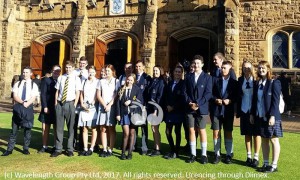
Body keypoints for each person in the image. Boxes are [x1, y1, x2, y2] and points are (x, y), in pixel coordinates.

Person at [252, 61, 282, 173]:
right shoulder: (258, 83)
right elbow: (255, 100)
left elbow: (275, 101)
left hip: (271, 117)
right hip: (260, 116)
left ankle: (274, 165)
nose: (261, 70)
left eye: (263, 68)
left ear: (268, 69)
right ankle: (265, 163)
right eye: (259, 68)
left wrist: (273, 116)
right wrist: (252, 114)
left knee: (274, 140)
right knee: (264, 139)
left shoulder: (275, 83)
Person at [2, 67, 39, 156]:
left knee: (27, 130)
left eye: (27, 72)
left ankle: (26, 149)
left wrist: (27, 103)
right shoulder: (18, 84)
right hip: (19, 106)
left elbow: (34, 96)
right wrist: (22, 102)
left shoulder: (34, 85)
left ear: (31, 74)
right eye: (23, 72)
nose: (24, 74)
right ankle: (9, 149)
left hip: (28, 108)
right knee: (14, 130)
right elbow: (15, 95)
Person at [184, 55, 212, 164]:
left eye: (198, 63)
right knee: (191, 130)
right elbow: (184, 91)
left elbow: (208, 93)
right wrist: (190, 102)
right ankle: (193, 154)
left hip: (202, 107)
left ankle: (204, 154)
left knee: (202, 130)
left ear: (202, 64)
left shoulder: (207, 77)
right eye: (194, 63)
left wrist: (198, 104)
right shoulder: (188, 77)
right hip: (190, 108)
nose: (196, 65)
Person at [51, 61, 82, 157]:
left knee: (71, 128)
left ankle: (70, 149)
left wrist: (75, 104)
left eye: (70, 67)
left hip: (70, 103)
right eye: (66, 67)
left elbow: (78, 92)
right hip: (60, 103)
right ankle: (58, 149)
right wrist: (56, 103)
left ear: (73, 68)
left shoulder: (76, 79)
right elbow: (57, 91)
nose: (68, 69)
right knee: (59, 128)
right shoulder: (61, 77)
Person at [210, 60, 238, 164]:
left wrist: (230, 100)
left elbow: (236, 96)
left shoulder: (234, 83)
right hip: (217, 110)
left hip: (228, 110)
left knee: (228, 132)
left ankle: (228, 154)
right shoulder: (215, 80)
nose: (222, 69)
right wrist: (215, 99)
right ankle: (217, 154)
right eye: (222, 68)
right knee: (216, 132)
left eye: (224, 68)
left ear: (230, 70)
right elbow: (210, 94)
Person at [236, 61, 261, 167]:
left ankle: (256, 157)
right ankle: (249, 156)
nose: (246, 69)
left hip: (254, 111)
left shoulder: (256, 81)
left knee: (256, 134)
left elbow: (257, 97)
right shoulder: (240, 80)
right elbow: (239, 96)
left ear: (252, 69)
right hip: (244, 110)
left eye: (248, 67)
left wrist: (253, 112)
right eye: (244, 67)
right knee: (247, 134)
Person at [116, 73, 143, 160]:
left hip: (133, 114)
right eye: (128, 79)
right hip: (124, 114)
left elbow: (140, 102)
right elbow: (118, 103)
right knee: (126, 133)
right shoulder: (121, 88)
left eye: (131, 80)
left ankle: (130, 153)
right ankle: (123, 152)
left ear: (134, 81)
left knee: (132, 133)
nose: (129, 81)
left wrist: (131, 101)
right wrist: (118, 114)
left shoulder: (137, 89)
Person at [97, 64, 120, 157]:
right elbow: (98, 95)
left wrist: (109, 105)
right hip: (102, 106)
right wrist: (104, 105)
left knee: (111, 128)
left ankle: (110, 149)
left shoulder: (116, 81)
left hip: (112, 106)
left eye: (108, 71)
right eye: (106, 70)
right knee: (103, 128)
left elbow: (117, 94)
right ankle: (104, 149)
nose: (107, 72)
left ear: (112, 71)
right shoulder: (101, 81)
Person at [163, 65, 185, 159]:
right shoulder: (170, 83)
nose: (177, 73)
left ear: (181, 73)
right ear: (173, 72)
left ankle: (176, 151)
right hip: (169, 111)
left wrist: (174, 107)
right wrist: (167, 105)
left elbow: (183, 98)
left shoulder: (183, 84)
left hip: (178, 111)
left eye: (179, 72)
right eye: (176, 71)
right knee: (168, 132)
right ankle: (172, 149)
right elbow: (166, 95)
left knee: (177, 132)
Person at [38, 65, 61, 153]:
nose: (56, 72)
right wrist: (45, 106)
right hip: (47, 106)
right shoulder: (46, 80)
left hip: (57, 107)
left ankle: (55, 146)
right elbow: (43, 94)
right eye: (55, 71)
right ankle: (44, 146)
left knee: (56, 128)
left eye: (58, 71)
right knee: (45, 128)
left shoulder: (61, 80)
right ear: (52, 71)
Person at [78, 66, 99, 156]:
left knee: (93, 128)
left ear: (95, 73)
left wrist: (93, 102)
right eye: (89, 72)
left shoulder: (98, 82)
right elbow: (81, 94)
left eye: (92, 72)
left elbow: (97, 94)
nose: (91, 74)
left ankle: (92, 148)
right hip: (84, 107)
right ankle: (85, 148)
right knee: (84, 128)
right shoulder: (84, 81)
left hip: (93, 107)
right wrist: (82, 103)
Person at [146, 65, 165, 157]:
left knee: (155, 128)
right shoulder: (152, 81)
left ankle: (158, 149)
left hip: (156, 109)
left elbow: (159, 97)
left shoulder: (161, 82)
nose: (155, 72)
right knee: (153, 129)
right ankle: (155, 147)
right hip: (150, 108)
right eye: (154, 71)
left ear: (160, 71)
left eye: (157, 70)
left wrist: (155, 111)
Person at [134, 60, 152, 155]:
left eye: (140, 66)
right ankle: (134, 145)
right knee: (134, 126)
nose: (138, 68)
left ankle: (144, 147)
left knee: (143, 127)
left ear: (143, 67)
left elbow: (148, 93)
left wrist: (146, 105)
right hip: (134, 106)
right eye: (136, 66)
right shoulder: (133, 77)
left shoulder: (147, 78)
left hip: (143, 106)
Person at [73, 56, 89, 151]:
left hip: (84, 100)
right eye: (80, 63)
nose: (82, 65)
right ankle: (74, 142)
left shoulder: (88, 73)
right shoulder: (75, 72)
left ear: (86, 64)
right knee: (74, 123)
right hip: (75, 99)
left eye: (83, 64)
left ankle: (82, 143)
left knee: (83, 124)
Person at [94, 67, 107, 152]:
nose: (102, 73)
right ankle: (97, 144)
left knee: (106, 127)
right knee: (97, 127)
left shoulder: (112, 81)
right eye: (101, 71)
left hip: (105, 106)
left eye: (104, 71)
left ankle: (106, 144)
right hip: (97, 105)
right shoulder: (98, 81)